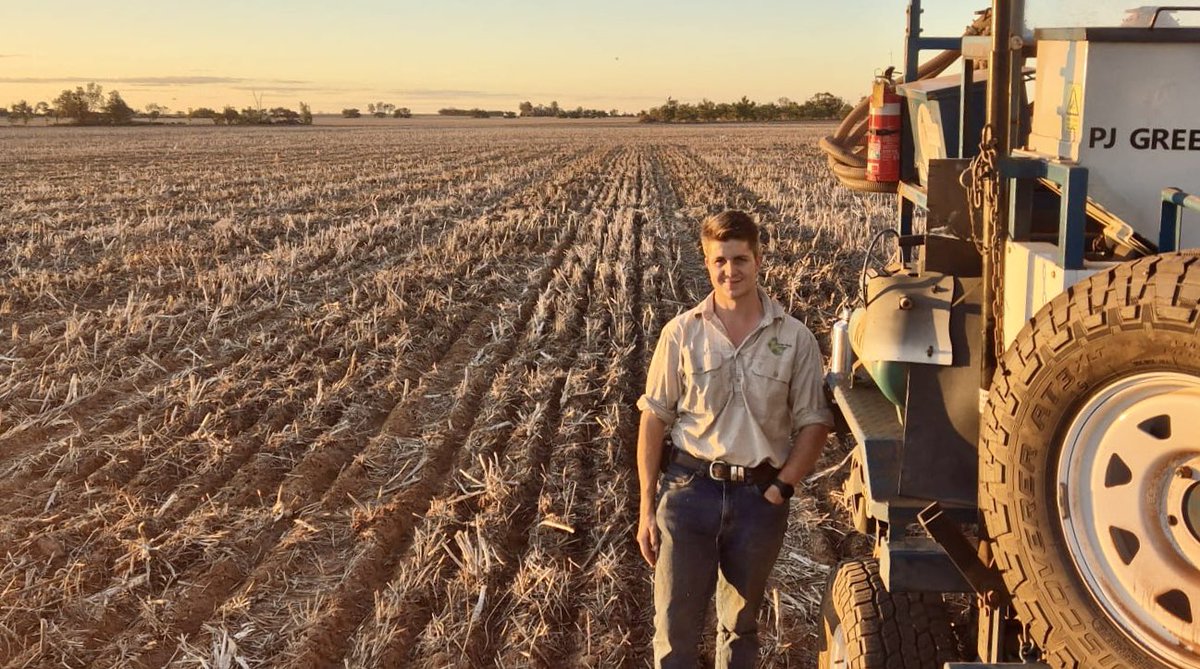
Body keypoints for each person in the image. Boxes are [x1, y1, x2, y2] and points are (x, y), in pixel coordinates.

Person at [636, 210, 833, 668]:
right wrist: (648, 507)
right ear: (707, 264)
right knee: (674, 626)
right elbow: (653, 419)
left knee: (740, 627)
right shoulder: (681, 333)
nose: (731, 271)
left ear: (759, 259)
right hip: (688, 494)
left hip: (757, 501)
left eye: (740, 258)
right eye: (720, 260)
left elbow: (814, 422)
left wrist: (781, 487)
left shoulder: (796, 338)